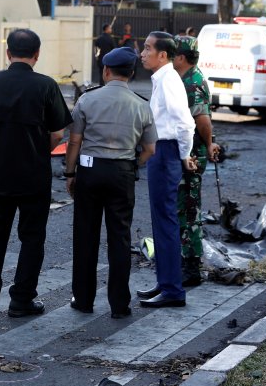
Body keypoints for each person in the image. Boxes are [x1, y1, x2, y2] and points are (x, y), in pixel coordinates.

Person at [0, 28, 72, 317]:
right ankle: (22, 299)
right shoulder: (46, 86)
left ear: (8, 53)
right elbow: (58, 133)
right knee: (31, 237)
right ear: (37, 55)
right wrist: (39, 145)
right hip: (33, 173)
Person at [65, 47, 157, 319]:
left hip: (89, 171)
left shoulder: (87, 100)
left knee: (85, 236)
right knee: (119, 237)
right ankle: (119, 304)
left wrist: (70, 174)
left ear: (106, 71)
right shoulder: (141, 104)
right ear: (131, 73)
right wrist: (131, 164)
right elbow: (150, 149)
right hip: (122, 172)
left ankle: (83, 299)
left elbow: (74, 141)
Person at [137, 31, 196, 308]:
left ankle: (173, 290)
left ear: (163, 55)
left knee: (166, 221)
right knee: (161, 221)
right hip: (162, 151)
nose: (143, 53)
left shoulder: (169, 80)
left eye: (148, 49)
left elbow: (185, 123)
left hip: (167, 151)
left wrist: (183, 155)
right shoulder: (162, 78)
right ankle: (165, 283)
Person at [172, 36, 221, 286]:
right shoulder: (186, 78)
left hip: (192, 153)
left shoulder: (192, 82)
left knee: (189, 208)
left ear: (181, 57)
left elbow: (202, 120)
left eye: (172, 54)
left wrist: (210, 142)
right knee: (183, 206)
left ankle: (191, 266)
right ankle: (185, 259)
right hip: (189, 150)